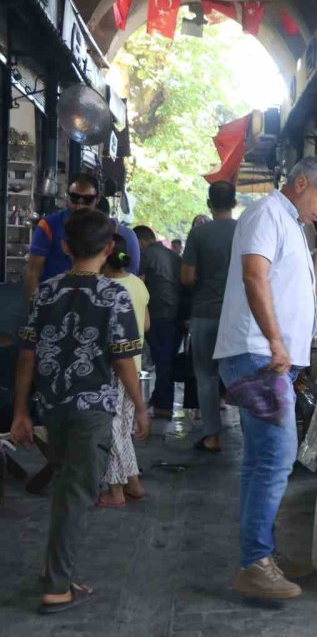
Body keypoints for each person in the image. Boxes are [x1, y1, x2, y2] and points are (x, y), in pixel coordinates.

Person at [214, 156, 317, 599]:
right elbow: (254, 276)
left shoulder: (291, 225)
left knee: (263, 461)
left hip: (266, 355)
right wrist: (276, 342)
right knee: (276, 458)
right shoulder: (267, 212)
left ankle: (262, 553)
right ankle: (254, 563)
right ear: (301, 182)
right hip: (258, 354)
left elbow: (307, 296)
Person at [10, 209, 148, 613]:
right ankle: (56, 587)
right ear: (108, 250)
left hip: (52, 407)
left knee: (67, 489)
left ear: (66, 247)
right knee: (75, 493)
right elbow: (124, 362)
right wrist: (139, 407)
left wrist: (22, 410)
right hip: (92, 411)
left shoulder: (46, 292)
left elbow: (27, 355)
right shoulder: (114, 295)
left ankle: (58, 570)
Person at [182, 181, 239, 452]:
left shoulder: (199, 234)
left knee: (206, 376)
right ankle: (250, 433)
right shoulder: (245, 230)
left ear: (209, 204)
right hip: (238, 316)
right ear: (234, 203)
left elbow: (187, 276)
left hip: (205, 312)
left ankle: (212, 436)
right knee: (240, 373)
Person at [24, 173, 141, 301]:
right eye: (74, 198)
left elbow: (125, 270)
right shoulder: (48, 225)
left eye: (87, 200)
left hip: (96, 300)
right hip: (55, 301)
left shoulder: (112, 228)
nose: (79, 205)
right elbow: (32, 272)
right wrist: (33, 308)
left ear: (97, 199)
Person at [99, 234, 151, 507]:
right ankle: (133, 483)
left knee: (113, 429)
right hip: (136, 365)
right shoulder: (138, 284)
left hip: (112, 368)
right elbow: (145, 326)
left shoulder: (104, 288)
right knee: (123, 427)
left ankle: (115, 490)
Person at [134, 226, 182, 419]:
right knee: (166, 359)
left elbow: (138, 281)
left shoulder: (145, 254)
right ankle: (159, 398)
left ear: (140, 240)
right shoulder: (173, 256)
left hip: (158, 313)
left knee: (162, 360)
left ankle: (163, 405)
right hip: (176, 313)